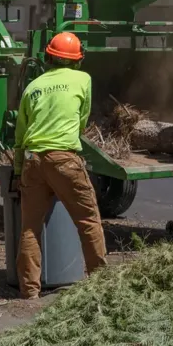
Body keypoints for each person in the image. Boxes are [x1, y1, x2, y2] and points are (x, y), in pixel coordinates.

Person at [13, 32, 107, 299]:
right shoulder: (82, 79)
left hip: (32, 160)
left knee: (30, 227)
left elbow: (20, 135)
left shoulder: (33, 86)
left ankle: (29, 292)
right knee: (88, 221)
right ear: (77, 60)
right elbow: (81, 122)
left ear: (48, 58)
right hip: (64, 159)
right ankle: (102, 286)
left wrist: (19, 171)